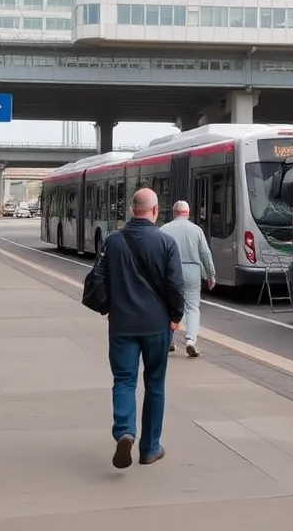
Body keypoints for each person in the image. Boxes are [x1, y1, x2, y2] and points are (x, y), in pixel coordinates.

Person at [90, 188, 184, 469]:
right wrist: (176, 316)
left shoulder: (113, 241)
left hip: (122, 324)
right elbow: (175, 285)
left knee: (124, 381)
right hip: (157, 326)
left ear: (132, 210)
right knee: (155, 384)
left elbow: (97, 279)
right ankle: (150, 448)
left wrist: (106, 307)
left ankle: (125, 432)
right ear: (155, 211)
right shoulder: (167, 243)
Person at [161, 201, 216, 357]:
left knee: (169, 307)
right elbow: (205, 253)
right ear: (188, 212)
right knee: (192, 308)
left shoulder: (164, 229)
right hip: (192, 271)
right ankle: (191, 340)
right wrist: (210, 275)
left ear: (174, 212)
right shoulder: (196, 230)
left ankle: (169, 341)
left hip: (171, 272)